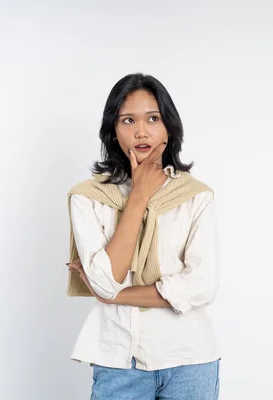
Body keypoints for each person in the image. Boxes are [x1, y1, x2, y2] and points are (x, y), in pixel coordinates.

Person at [65, 73, 220, 399]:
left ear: (169, 127)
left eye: (153, 118)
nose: (141, 131)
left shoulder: (196, 197)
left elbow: (202, 286)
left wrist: (113, 295)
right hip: (119, 358)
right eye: (128, 120)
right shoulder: (88, 198)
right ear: (113, 131)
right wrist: (137, 198)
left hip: (190, 359)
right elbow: (107, 280)